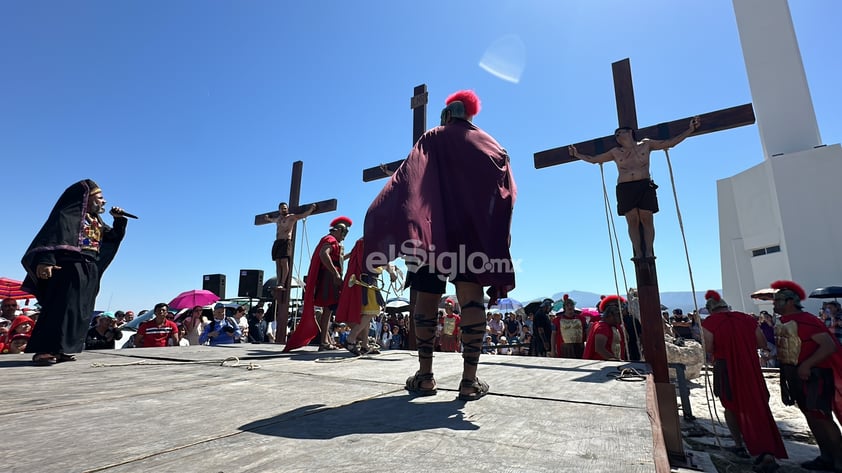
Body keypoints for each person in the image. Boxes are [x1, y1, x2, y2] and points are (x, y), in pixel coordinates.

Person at [363, 89, 516, 401]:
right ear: (470, 115)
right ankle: (469, 381)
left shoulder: (431, 137)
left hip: (430, 233)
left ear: (448, 113)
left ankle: (425, 376)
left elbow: (407, 179)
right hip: (471, 235)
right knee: (470, 299)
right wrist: (498, 237)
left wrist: (385, 218)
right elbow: (506, 193)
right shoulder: (491, 144)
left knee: (427, 298)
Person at [21, 179, 129, 365]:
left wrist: (118, 220)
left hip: (90, 269)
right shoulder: (67, 217)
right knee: (61, 309)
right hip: (69, 268)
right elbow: (51, 239)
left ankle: (65, 348)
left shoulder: (96, 221)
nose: (104, 201)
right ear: (86, 198)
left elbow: (112, 237)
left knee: (81, 311)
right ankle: (45, 349)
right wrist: (46, 261)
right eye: (100, 197)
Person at [569, 117, 700, 259]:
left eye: (620, 132)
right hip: (625, 188)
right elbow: (594, 159)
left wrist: (690, 129)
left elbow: (670, 143)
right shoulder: (615, 152)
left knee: (646, 218)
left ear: (630, 132)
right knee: (632, 220)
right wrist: (577, 154)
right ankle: (638, 253)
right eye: (616, 134)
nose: (617, 136)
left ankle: (649, 252)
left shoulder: (646, 144)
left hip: (644, 184)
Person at [700, 290, 787, 469]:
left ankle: (740, 445)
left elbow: (708, 347)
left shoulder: (710, 322)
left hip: (726, 367)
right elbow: (762, 343)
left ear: (710, 310)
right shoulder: (746, 319)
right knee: (757, 404)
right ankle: (765, 448)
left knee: (730, 406)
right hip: (750, 366)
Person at [771, 280, 842, 472]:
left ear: (790, 302)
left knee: (823, 417)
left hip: (815, 374)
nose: (774, 304)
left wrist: (808, 364)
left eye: (778, 300)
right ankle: (826, 456)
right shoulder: (784, 322)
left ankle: (839, 459)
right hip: (795, 374)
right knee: (810, 416)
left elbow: (829, 345)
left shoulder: (807, 320)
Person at [283, 216, 352, 352]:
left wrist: (351, 254)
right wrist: (335, 274)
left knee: (328, 311)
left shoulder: (331, 241)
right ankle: (326, 342)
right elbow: (324, 254)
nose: (343, 238)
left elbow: (337, 259)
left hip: (330, 280)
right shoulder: (330, 240)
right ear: (338, 230)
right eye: (343, 234)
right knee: (329, 310)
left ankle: (325, 342)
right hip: (329, 281)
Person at [335, 238, 395, 355]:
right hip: (368, 281)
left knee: (366, 314)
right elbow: (380, 258)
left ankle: (364, 345)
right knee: (372, 312)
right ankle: (351, 338)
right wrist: (391, 272)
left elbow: (352, 255)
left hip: (362, 280)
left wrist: (340, 259)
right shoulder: (372, 241)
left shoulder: (361, 241)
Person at [263, 202, 317, 292]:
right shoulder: (278, 219)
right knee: (278, 263)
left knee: (284, 262)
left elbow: (303, 215)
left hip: (286, 241)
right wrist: (267, 218)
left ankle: (282, 283)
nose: (283, 210)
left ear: (287, 209)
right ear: (279, 210)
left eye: (285, 208)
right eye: (282, 208)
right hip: (277, 242)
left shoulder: (291, 217)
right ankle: (278, 282)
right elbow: (271, 220)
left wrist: (311, 209)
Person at [583, 295, 627, 361]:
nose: (621, 318)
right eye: (618, 315)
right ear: (610, 315)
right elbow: (600, 349)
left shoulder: (614, 326)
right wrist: (616, 361)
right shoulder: (602, 327)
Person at [552, 294, 588, 359]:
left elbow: (587, 332)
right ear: (564, 307)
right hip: (563, 348)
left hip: (579, 347)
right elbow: (553, 335)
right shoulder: (557, 320)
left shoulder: (581, 319)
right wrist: (553, 350)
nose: (569, 307)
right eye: (567, 305)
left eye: (571, 305)